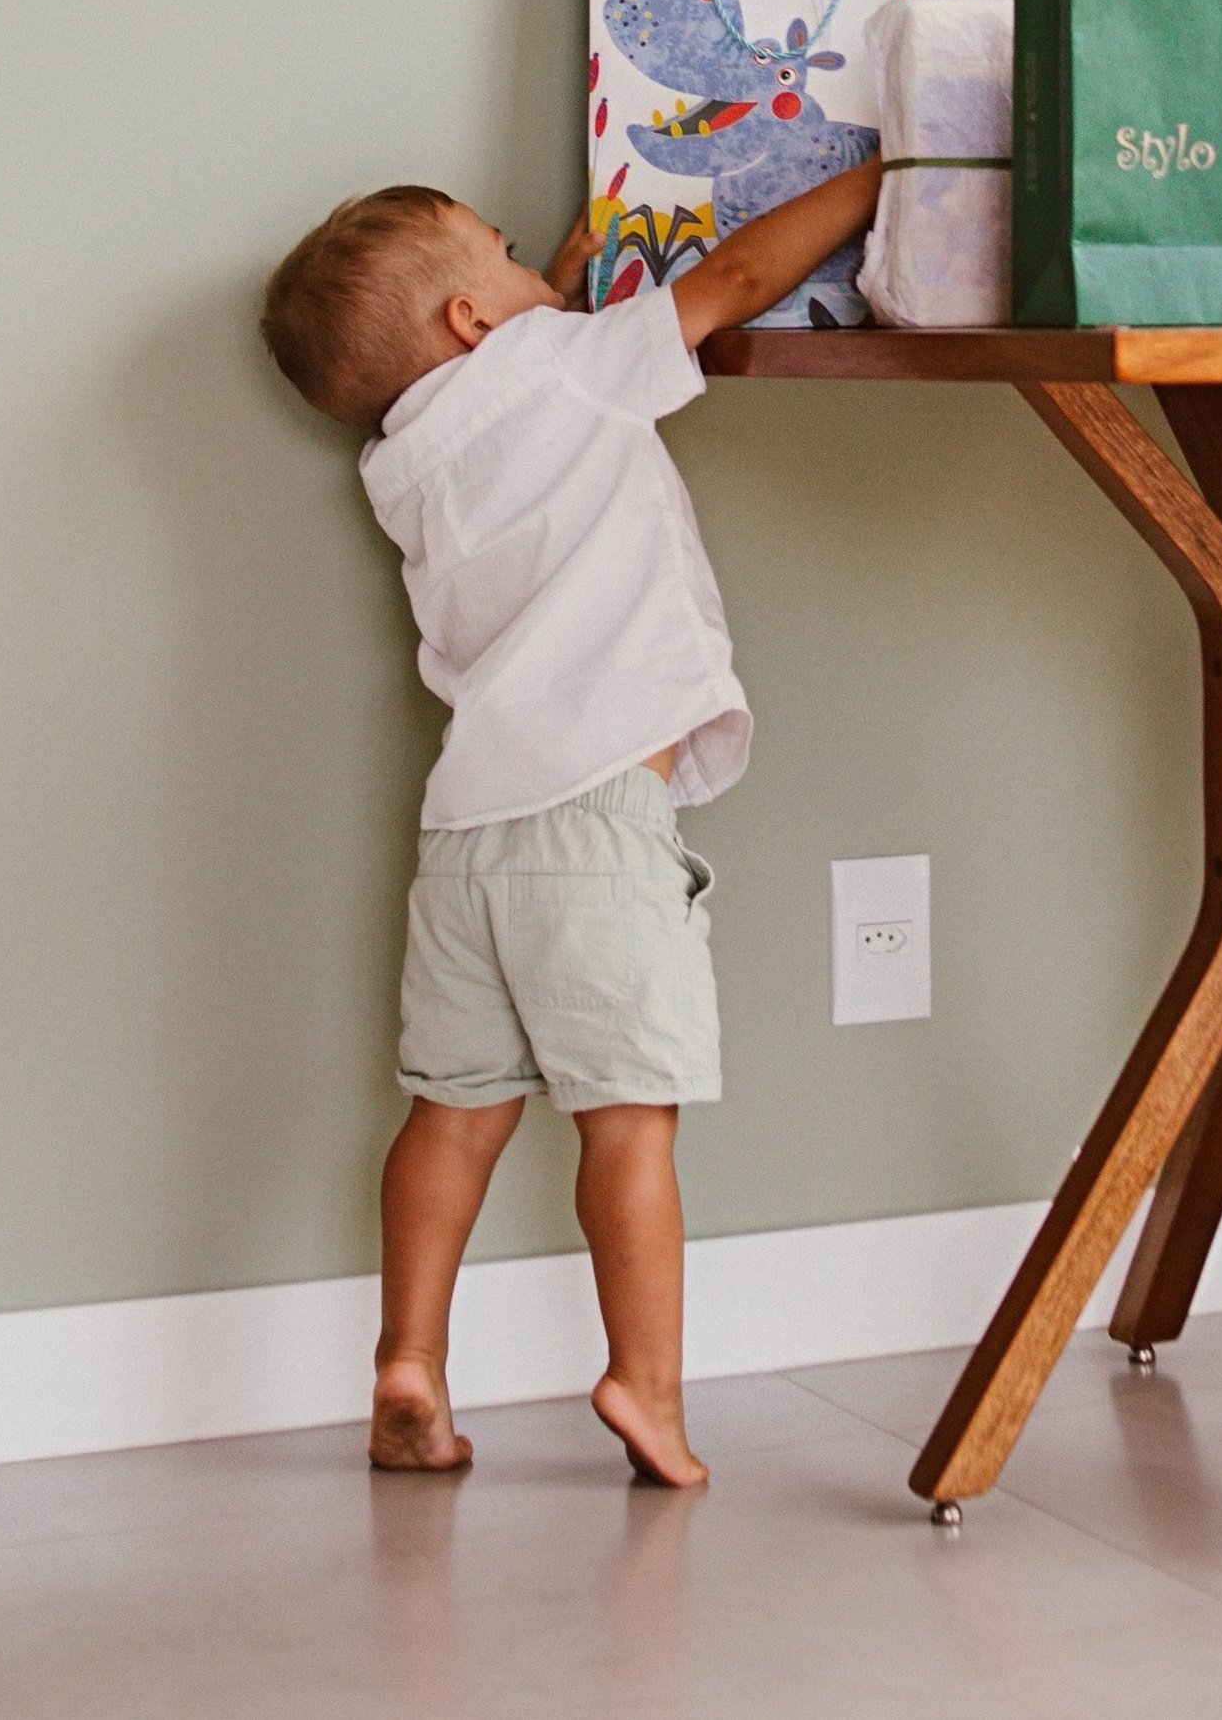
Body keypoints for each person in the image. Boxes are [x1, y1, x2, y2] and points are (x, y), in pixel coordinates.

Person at [260, 154, 883, 1488]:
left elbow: (523, 375)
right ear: (476, 320)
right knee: (629, 1117)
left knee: (452, 1111)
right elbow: (736, 281)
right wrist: (881, 174)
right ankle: (644, 1381)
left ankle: (408, 1355)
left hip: (465, 835)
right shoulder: (570, 368)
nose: (534, 263)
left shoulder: (404, 460)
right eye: (503, 250)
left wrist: (558, 267)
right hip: (597, 822)